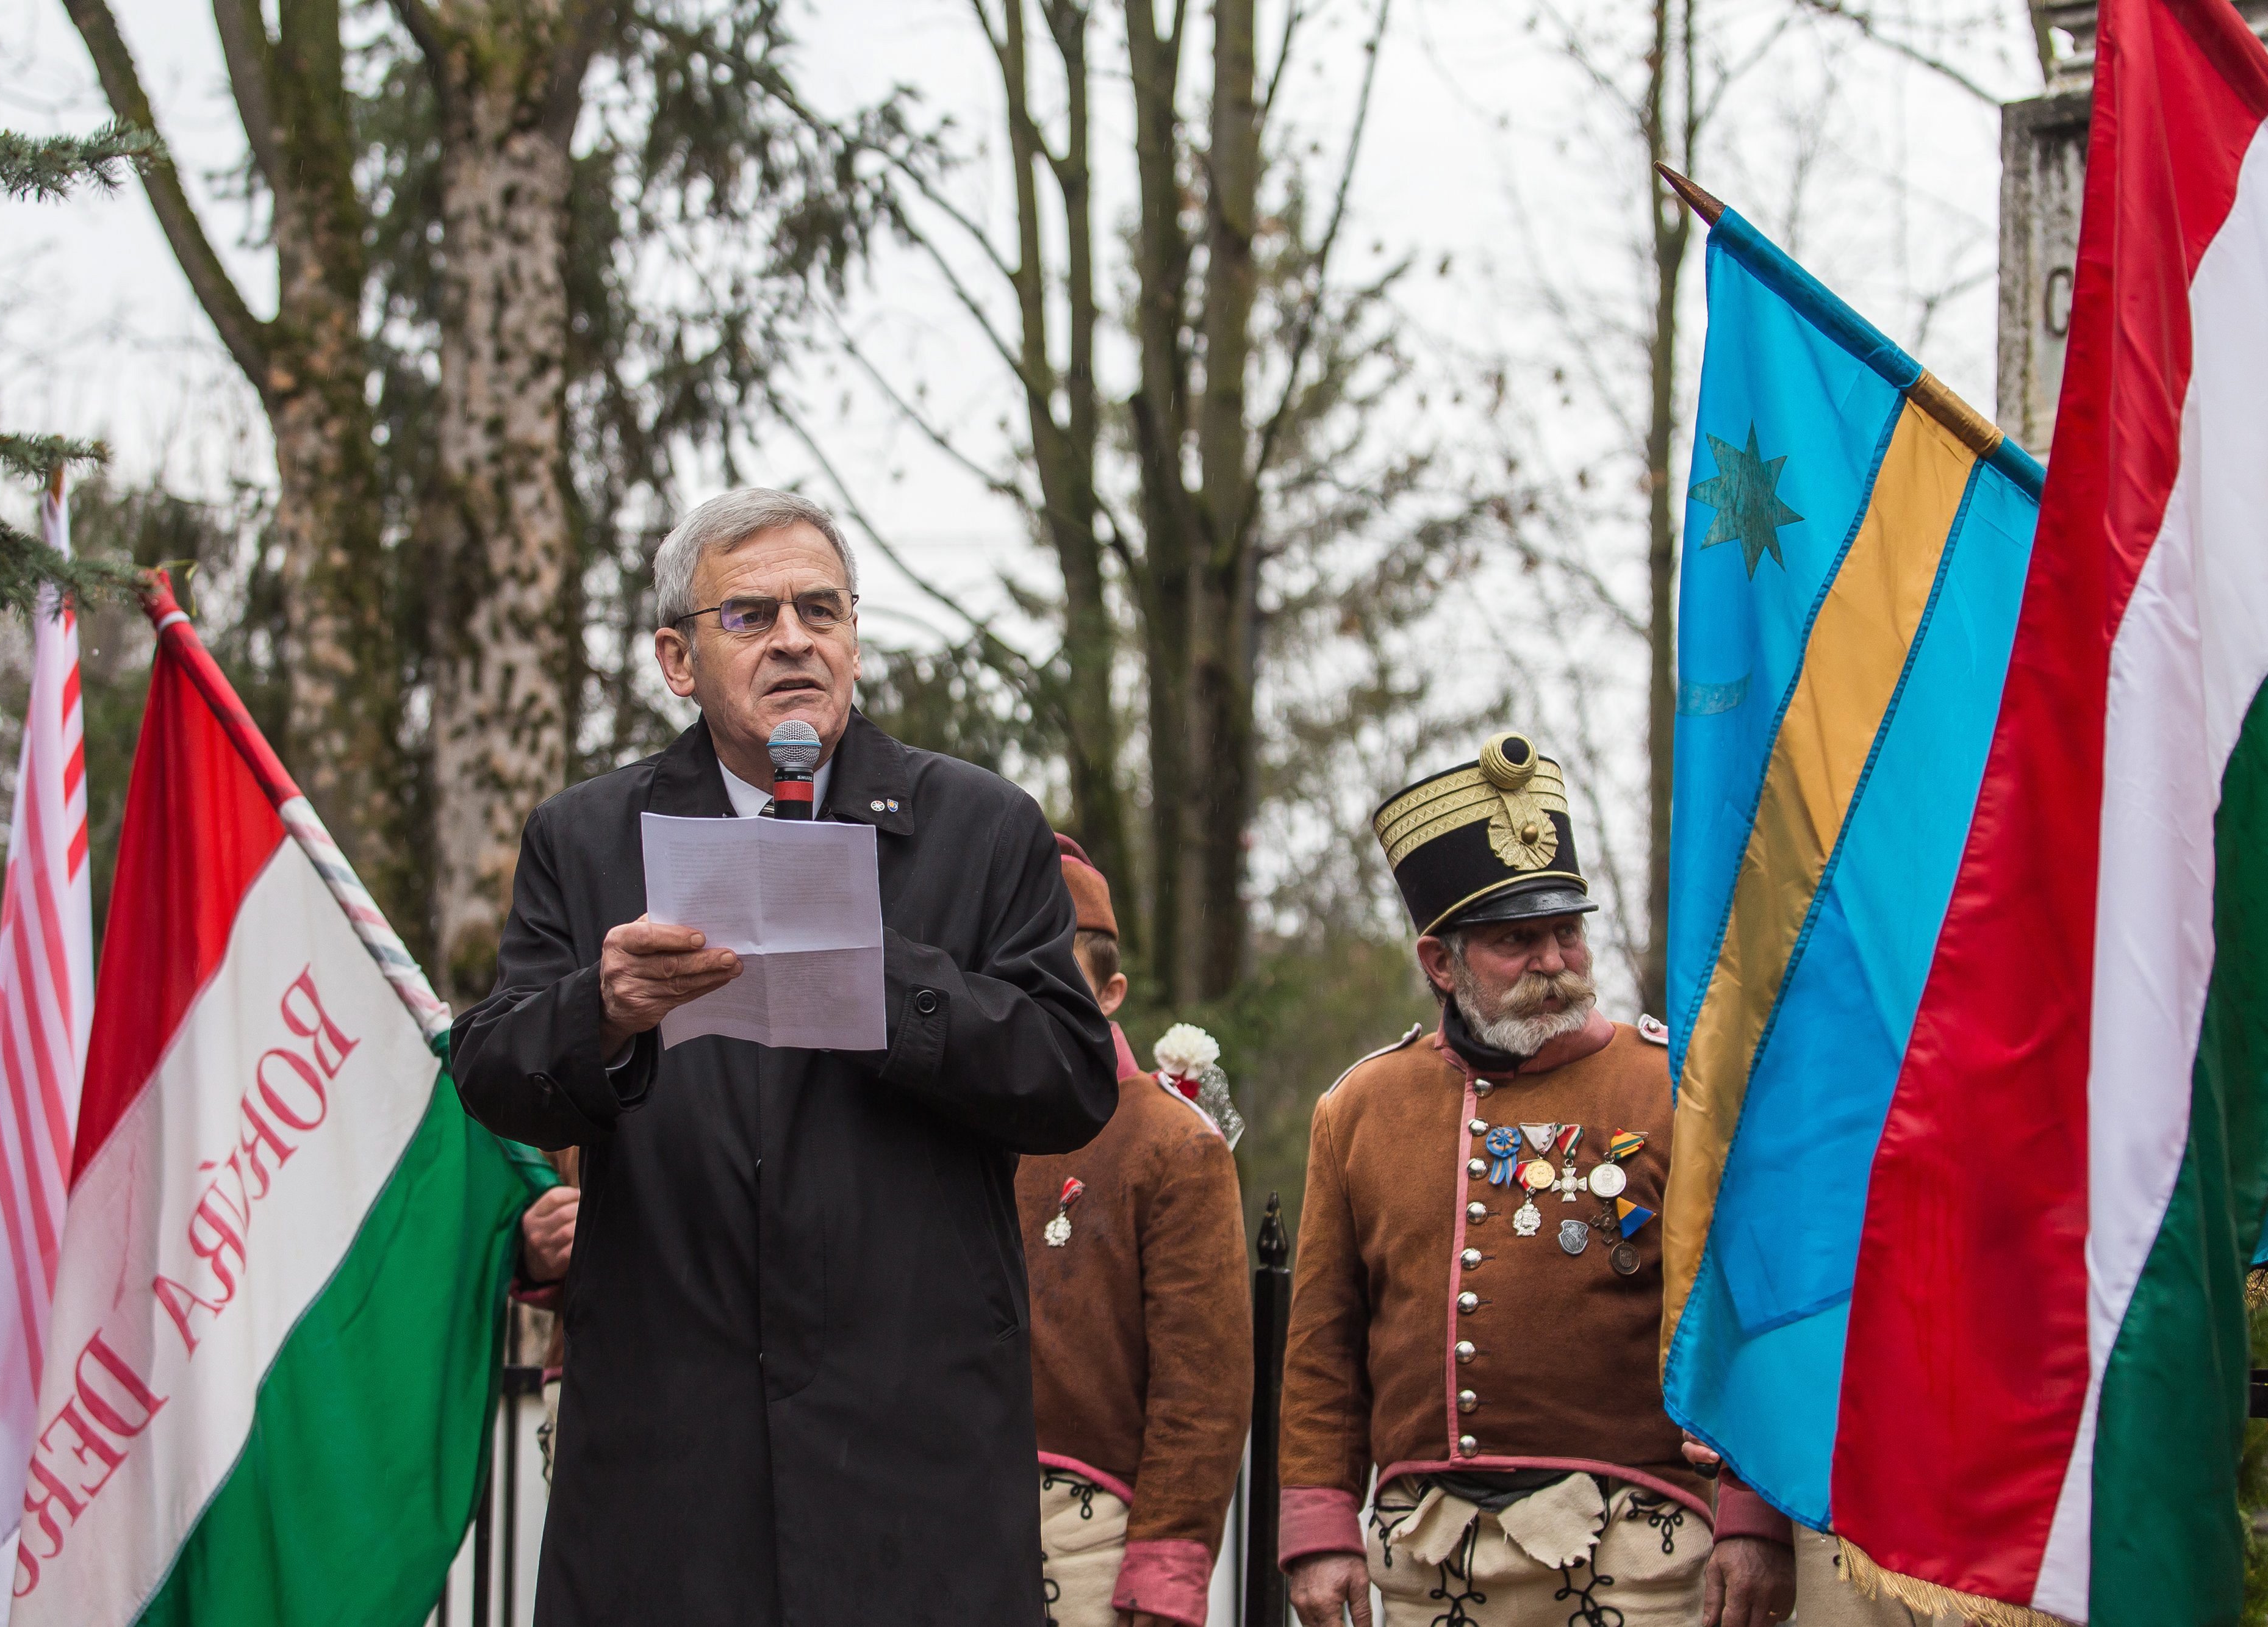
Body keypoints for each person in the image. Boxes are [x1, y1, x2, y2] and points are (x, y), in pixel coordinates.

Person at [450, 487, 1119, 1626]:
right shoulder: (588, 837)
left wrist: (879, 972)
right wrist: (603, 1009)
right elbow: (489, 1070)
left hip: (913, 1454)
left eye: (823, 608)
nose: (796, 638)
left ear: (855, 635)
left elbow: (1069, 1078)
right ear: (677, 656)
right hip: (668, 1459)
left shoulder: (978, 825)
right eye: (751, 615)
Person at [1279, 731, 1796, 1627]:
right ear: (1440, 964)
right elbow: (1325, 1349)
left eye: (1567, 932)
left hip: (1642, 1548)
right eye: (1518, 941)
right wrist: (1321, 1531)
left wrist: (1754, 1514)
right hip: (1421, 1549)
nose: (1555, 962)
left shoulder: (1677, 1089)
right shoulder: (1359, 1109)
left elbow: (1745, 1307)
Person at [1017, 838, 1252, 1627]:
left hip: (1092, 1543)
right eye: (1005, 970)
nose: (1025, 996)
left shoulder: (1171, 1143)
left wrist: (1167, 1570)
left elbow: (1204, 1386)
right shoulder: (954, 1127)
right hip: (937, 1521)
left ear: (1111, 991)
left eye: (1053, 973)